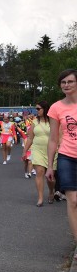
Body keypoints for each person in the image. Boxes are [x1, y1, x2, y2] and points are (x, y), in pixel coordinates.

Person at [47, 70, 77, 253]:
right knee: (73, 200)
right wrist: (50, 165)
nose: (66, 85)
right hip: (67, 156)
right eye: (63, 82)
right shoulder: (56, 108)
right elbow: (53, 139)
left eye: (70, 81)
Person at [24, 103, 57, 206]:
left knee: (50, 177)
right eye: (36, 109)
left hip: (51, 151)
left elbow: (59, 136)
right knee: (39, 172)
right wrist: (25, 151)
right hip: (37, 149)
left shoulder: (54, 121)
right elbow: (30, 137)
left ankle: (51, 191)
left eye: (38, 108)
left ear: (45, 109)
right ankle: (40, 198)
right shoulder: (34, 122)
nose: (36, 110)